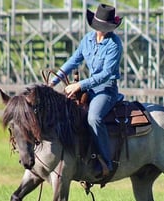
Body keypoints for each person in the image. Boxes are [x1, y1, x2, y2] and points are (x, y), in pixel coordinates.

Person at [50, 3, 123, 177]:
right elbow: (73, 60)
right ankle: (77, 157)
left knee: (93, 117)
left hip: (106, 90)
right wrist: (53, 81)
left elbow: (106, 74)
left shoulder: (114, 44)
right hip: (89, 88)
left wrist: (80, 85)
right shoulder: (87, 40)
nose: (102, 29)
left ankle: (106, 162)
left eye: (105, 27)